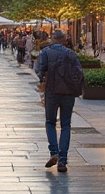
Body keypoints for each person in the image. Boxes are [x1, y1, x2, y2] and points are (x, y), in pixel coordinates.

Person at [35, 29, 82, 173]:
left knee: (50, 122)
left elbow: (39, 71)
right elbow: (79, 73)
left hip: (52, 92)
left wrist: (43, 84)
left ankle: (53, 152)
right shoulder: (71, 54)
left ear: (52, 39)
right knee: (66, 124)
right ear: (64, 40)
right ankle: (62, 160)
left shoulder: (45, 53)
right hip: (68, 93)